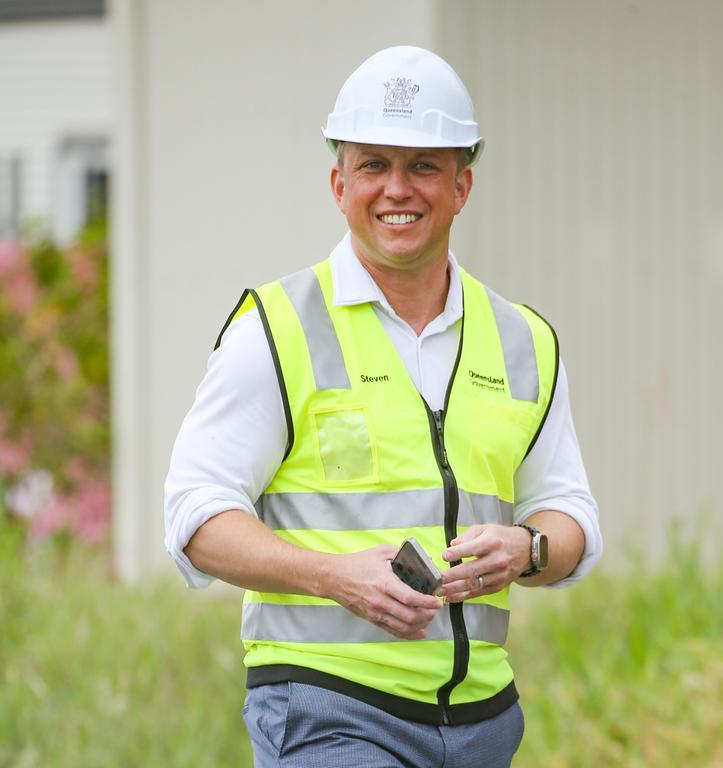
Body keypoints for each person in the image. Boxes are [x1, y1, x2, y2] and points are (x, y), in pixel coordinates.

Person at [165, 45, 602, 767]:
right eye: (374, 165)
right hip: (326, 711)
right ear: (339, 184)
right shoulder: (276, 329)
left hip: (486, 725)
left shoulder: (524, 341)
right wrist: (333, 576)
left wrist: (529, 549)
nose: (397, 188)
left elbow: (570, 515)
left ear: (462, 185)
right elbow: (193, 517)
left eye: (422, 166)